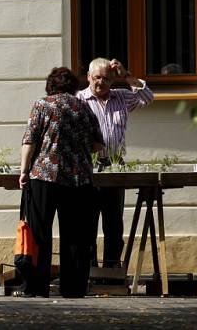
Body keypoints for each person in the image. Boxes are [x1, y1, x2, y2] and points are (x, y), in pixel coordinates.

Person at [19, 67, 104, 298]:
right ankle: (74, 288)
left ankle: (37, 287)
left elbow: (30, 141)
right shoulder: (84, 108)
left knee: (40, 233)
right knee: (76, 236)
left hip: (45, 176)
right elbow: (98, 144)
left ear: (50, 85)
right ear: (74, 86)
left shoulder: (43, 105)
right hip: (79, 179)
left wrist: (24, 171)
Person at [77, 58, 154, 268]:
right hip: (88, 168)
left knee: (113, 223)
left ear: (113, 80)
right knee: (88, 222)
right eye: (97, 78)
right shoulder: (79, 100)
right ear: (88, 78)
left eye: (107, 78)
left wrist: (127, 75)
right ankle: (89, 271)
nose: (101, 82)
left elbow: (148, 97)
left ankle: (112, 270)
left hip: (114, 166)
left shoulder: (121, 97)